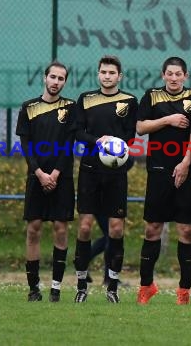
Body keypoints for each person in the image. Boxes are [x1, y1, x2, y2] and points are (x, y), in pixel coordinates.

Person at [136, 56, 191, 305]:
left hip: (185, 169)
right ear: (163, 75)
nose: (174, 78)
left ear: (185, 76)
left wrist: (186, 162)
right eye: (170, 74)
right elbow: (141, 128)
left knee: (185, 230)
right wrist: (168, 120)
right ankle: (145, 287)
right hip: (157, 169)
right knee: (152, 228)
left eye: (178, 74)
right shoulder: (152, 95)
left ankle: (184, 291)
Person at [73, 55, 138, 303]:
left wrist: (116, 146)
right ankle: (81, 285)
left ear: (119, 76)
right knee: (85, 226)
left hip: (116, 173)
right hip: (90, 170)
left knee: (116, 229)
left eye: (112, 72)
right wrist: (97, 141)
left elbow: (131, 135)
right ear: (98, 74)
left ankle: (112, 285)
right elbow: (78, 132)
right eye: (103, 72)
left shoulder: (129, 101)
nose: (107, 76)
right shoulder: (86, 99)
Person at [15, 61, 76, 302]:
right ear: (45, 78)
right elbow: (26, 145)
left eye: (61, 79)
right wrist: (40, 173)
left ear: (64, 82)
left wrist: (56, 174)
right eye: (53, 77)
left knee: (61, 229)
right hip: (36, 177)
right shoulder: (28, 107)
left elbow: (69, 144)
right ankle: (33, 288)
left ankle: (56, 288)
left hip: (62, 177)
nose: (56, 82)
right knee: (34, 229)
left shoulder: (71, 107)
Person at [88, 157, 135, 286]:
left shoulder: (120, 146)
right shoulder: (96, 148)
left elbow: (130, 160)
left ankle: (84, 262)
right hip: (100, 196)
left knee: (110, 236)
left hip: (113, 193)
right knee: (110, 236)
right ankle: (108, 277)